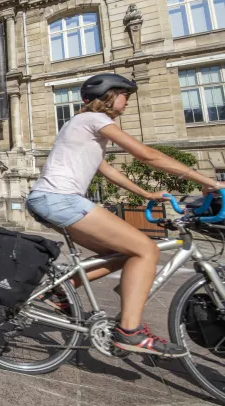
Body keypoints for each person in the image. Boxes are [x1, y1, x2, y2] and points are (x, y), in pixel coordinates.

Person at [25, 73, 224, 358]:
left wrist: (144, 194)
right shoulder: (94, 119)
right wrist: (209, 182)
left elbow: (106, 169)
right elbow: (145, 155)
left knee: (122, 252)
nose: (127, 103)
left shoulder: (81, 125)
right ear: (109, 94)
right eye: (125, 96)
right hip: (60, 199)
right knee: (145, 249)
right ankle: (130, 332)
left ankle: (62, 290)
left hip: (50, 200)